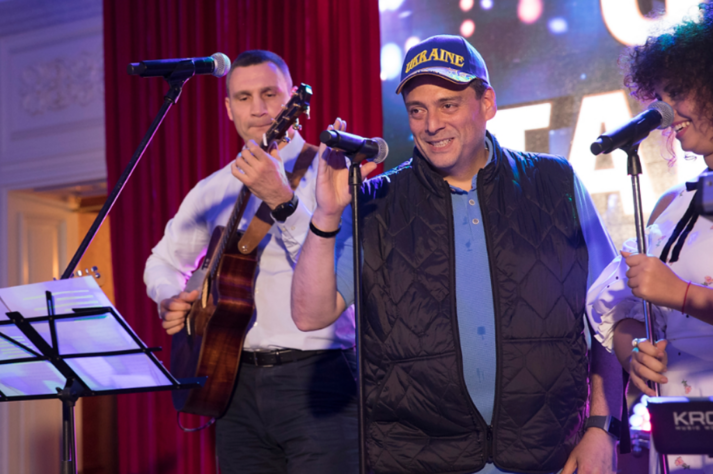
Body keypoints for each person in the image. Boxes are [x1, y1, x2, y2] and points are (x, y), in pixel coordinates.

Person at [292, 35, 622, 474]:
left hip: (548, 457)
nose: (431, 124)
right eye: (417, 110)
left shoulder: (555, 183)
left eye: (448, 105)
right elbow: (309, 315)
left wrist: (602, 426)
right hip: (415, 461)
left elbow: (610, 316)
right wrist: (327, 214)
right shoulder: (375, 202)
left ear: (487, 103)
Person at [143, 50, 358, 474]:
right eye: (244, 97)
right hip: (231, 381)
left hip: (318, 378)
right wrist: (171, 298)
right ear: (228, 108)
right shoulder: (213, 189)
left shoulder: (332, 172)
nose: (258, 108)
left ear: (293, 100)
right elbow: (161, 261)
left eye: (269, 94)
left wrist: (283, 200)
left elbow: (337, 270)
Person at [586, 4, 713, 473]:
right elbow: (619, 311)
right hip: (684, 440)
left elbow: (671, 292)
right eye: (659, 96)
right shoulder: (672, 207)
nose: (666, 111)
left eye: (677, 92)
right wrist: (635, 353)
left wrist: (680, 293)